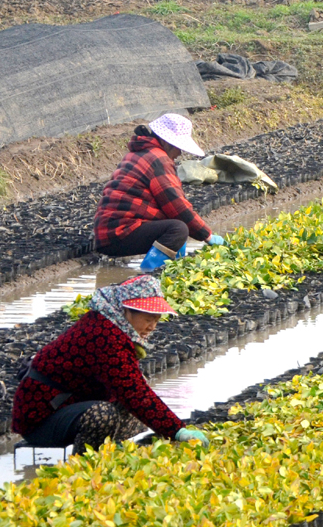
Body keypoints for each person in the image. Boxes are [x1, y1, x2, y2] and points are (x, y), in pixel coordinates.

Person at [11, 275, 207, 454]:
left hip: (70, 404)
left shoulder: (110, 325)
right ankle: (85, 464)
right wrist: (177, 430)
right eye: (148, 319)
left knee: (137, 405)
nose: (152, 327)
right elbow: (134, 393)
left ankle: (107, 446)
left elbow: (133, 389)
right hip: (41, 419)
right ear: (127, 311)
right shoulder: (105, 336)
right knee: (104, 415)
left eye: (156, 320)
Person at [93, 113, 226, 272]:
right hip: (118, 233)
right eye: (178, 146)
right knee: (178, 229)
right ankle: (151, 274)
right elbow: (177, 206)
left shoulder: (140, 153)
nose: (179, 153)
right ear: (165, 141)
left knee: (178, 226)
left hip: (108, 231)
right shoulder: (158, 159)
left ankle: (172, 267)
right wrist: (207, 235)